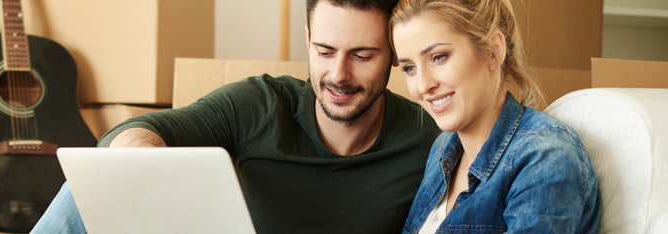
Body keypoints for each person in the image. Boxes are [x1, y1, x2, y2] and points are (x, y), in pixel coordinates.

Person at [31, 0, 442, 233]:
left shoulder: (428, 140)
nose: (339, 74)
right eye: (325, 51)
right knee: (90, 184)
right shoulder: (259, 103)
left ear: (393, 52)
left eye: (362, 55)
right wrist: (144, 164)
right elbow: (135, 131)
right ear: (307, 41)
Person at [389, 0, 601, 233]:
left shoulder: (545, 155)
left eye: (439, 57)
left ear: (493, 51)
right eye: (409, 68)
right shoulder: (443, 148)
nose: (422, 86)